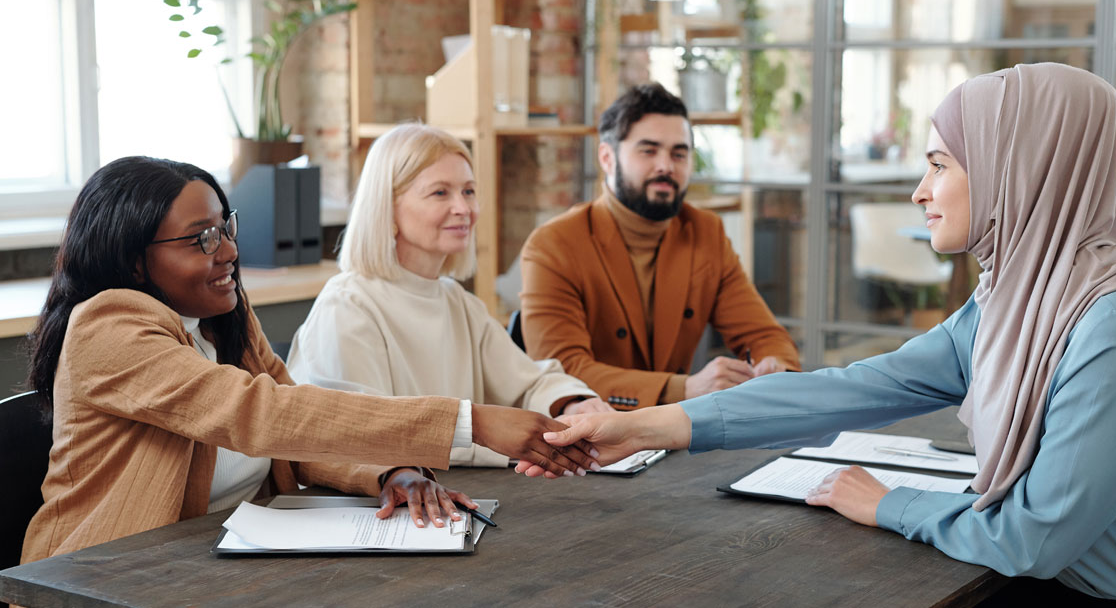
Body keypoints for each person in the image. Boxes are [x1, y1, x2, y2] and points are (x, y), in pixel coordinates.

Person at [530, 64, 1116, 604]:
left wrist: (888, 502)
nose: (922, 191)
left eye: (940, 164)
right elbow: (843, 391)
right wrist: (638, 427)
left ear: (1019, 172)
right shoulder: (1006, 310)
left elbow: (1031, 538)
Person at [22, 156, 596, 564]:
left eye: (226, 228)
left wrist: (388, 472)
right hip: (102, 575)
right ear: (133, 260)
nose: (229, 252)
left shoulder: (226, 317)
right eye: (201, 239)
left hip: (213, 564)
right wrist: (472, 422)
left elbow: (298, 439)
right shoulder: (108, 324)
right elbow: (260, 414)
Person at [286, 124, 612, 469]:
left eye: (469, 191)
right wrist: (503, 440)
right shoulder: (348, 305)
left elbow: (528, 383)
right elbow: (367, 437)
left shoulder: (458, 302)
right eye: (440, 193)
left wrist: (571, 404)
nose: (463, 208)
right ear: (388, 207)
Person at [519, 83, 799, 410]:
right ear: (607, 158)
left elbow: (764, 335)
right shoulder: (553, 245)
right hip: (590, 435)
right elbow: (563, 369)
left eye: (679, 153)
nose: (666, 166)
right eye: (648, 150)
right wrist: (684, 388)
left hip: (676, 436)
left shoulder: (705, 233)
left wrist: (774, 366)